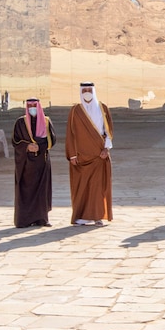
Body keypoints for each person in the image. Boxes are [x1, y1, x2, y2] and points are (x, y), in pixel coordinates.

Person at [66, 82, 114, 226]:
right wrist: (72, 155)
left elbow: (108, 131)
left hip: (99, 155)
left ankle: (98, 215)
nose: (87, 92)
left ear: (93, 91)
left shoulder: (102, 108)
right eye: (84, 90)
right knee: (82, 187)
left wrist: (106, 149)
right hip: (81, 158)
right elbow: (70, 134)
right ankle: (82, 216)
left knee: (98, 187)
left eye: (89, 90)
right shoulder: (75, 110)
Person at [12, 98, 57, 228]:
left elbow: (52, 140)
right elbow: (15, 141)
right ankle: (24, 220)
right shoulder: (20, 122)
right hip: (26, 164)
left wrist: (39, 147)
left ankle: (42, 218)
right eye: (29, 105)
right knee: (26, 191)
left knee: (42, 190)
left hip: (41, 162)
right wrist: (27, 146)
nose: (32, 108)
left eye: (34, 105)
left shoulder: (46, 122)